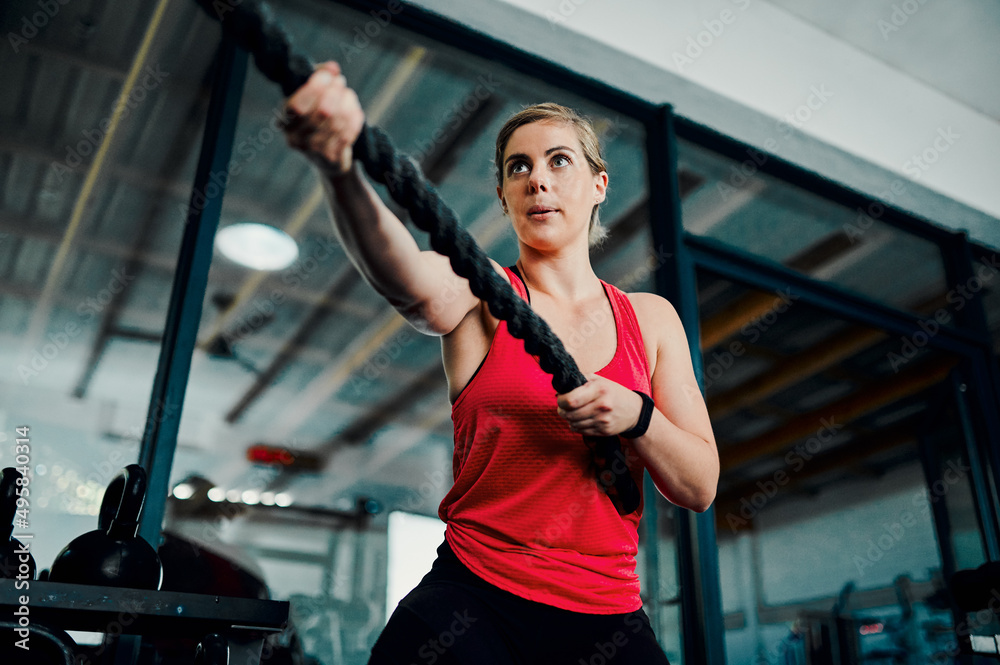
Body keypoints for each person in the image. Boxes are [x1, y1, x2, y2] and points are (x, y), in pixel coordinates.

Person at [282, 61, 719, 664]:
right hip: (475, 599)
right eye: (520, 167)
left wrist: (639, 416)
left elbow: (699, 485)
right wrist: (340, 171)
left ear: (599, 184)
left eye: (559, 160)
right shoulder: (484, 289)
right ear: (504, 194)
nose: (538, 180)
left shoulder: (650, 318)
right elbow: (409, 281)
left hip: (608, 613)